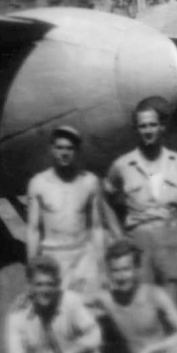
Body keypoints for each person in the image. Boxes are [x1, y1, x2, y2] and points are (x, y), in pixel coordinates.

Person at [104, 97, 177, 319]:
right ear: (135, 130)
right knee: (144, 312)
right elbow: (104, 199)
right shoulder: (122, 165)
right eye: (142, 126)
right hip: (138, 244)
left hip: (172, 241)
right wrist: (118, 236)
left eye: (152, 125)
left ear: (162, 127)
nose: (148, 130)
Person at [27, 125, 119, 301]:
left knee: (91, 311)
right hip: (53, 258)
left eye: (69, 148)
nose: (64, 153)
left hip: (84, 258)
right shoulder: (38, 184)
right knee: (56, 314)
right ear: (52, 149)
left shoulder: (90, 182)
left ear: (77, 151)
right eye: (60, 148)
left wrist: (102, 268)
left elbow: (97, 227)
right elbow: (33, 230)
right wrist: (32, 270)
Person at [93, 240, 177, 353]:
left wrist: (152, 349)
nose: (121, 277)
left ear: (137, 269)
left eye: (126, 269)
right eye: (115, 271)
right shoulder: (106, 299)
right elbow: (70, 303)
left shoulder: (154, 295)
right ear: (109, 273)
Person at [6, 254, 102, 353]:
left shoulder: (71, 301)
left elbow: (95, 333)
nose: (45, 291)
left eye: (49, 284)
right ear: (29, 286)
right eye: (39, 285)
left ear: (58, 284)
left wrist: (74, 351)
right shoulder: (17, 314)